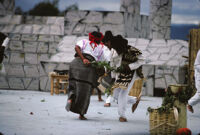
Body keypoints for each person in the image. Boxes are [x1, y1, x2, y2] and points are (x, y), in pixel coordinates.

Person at [65, 31, 110, 120]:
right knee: (85, 91)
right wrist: (85, 60)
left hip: (74, 64)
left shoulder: (84, 41)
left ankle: (70, 98)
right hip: (87, 68)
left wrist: (82, 58)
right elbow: (102, 61)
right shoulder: (101, 47)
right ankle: (81, 114)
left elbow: (77, 48)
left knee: (73, 84)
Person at [102, 32, 145, 122]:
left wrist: (129, 67)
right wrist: (113, 77)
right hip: (119, 74)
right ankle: (135, 100)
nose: (108, 46)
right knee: (115, 94)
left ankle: (122, 115)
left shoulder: (131, 50)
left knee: (123, 93)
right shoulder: (113, 51)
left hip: (130, 73)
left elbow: (142, 60)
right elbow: (113, 64)